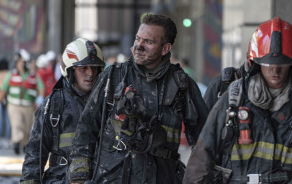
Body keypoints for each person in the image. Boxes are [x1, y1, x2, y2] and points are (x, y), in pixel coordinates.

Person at [183, 17, 292, 184]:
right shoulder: (235, 96)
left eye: (282, 64)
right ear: (255, 63)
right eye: (268, 64)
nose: (275, 70)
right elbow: (203, 153)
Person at [68, 14, 209, 184]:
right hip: (112, 177)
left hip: (162, 177)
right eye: (138, 38)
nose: (139, 46)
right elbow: (86, 128)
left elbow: (205, 140)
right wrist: (79, 177)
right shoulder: (113, 77)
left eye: (148, 42)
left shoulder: (182, 85)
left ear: (165, 48)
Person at [21, 38, 105, 184]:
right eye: (83, 68)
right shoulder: (53, 105)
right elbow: (34, 156)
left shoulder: (108, 102)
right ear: (70, 70)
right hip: (60, 178)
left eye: (94, 67)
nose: (90, 73)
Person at [0, 49, 45, 155]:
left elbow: (41, 87)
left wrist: (40, 98)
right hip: (14, 105)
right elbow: (4, 89)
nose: (21, 64)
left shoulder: (33, 75)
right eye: (19, 62)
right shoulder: (11, 74)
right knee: (17, 124)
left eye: (22, 62)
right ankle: (16, 142)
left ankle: (24, 144)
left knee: (27, 128)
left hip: (28, 106)